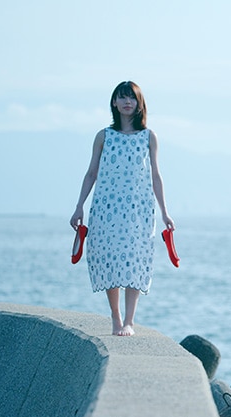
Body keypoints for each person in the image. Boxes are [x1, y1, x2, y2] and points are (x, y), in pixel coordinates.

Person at [70, 81, 174, 336]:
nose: (128, 102)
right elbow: (91, 172)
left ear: (140, 104)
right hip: (107, 207)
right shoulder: (104, 136)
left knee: (135, 260)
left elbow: (156, 176)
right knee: (110, 258)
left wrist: (165, 212)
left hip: (139, 208)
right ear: (114, 103)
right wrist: (79, 206)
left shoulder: (149, 137)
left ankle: (130, 320)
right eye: (122, 97)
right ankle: (115, 317)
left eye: (132, 98)